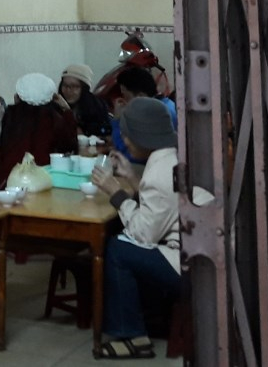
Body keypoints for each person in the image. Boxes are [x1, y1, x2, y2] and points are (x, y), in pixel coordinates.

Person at [90, 97, 210, 359]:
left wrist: (115, 192)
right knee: (125, 243)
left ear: (140, 136)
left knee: (119, 248)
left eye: (127, 135)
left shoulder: (159, 172)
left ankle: (132, 337)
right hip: (205, 252)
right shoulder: (172, 158)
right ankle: (145, 319)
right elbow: (163, 207)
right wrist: (133, 179)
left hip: (194, 266)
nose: (125, 141)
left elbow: (144, 234)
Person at [0, 71, 77, 184]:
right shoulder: (54, 118)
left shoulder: (11, 115)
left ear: (19, 95)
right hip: (42, 181)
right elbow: (71, 147)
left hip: (10, 180)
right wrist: (67, 110)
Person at [109, 66, 178, 161]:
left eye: (125, 96)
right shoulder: (166, 105)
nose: (124, 100)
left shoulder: (153, 114)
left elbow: (131, 155)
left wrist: (117, 121)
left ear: (140, 96)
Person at [59, 62, 111, 142]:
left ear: (84, 89)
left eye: (74, 86)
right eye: (65, 85)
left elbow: (105, 134)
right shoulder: (56, 106)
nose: (68, 91)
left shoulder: (97, 107)